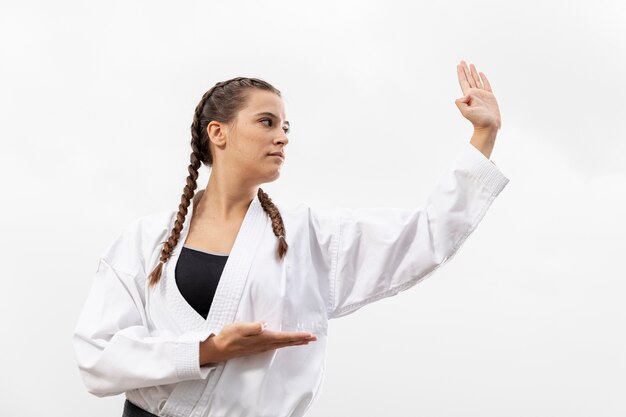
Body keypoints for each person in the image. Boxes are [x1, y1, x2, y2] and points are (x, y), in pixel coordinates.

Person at [72, 60, 509, 417]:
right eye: (267, 122)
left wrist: (482, 137)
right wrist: (207, 349)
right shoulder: (144, 239)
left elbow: (424, 235)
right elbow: (97, 356)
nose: (282, 136)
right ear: (218, 132)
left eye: (286, 127)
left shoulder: (309, 238)